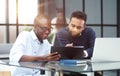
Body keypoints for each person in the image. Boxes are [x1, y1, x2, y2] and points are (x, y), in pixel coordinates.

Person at [54, 11, 96, 76]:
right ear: (69, 23)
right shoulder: (61, 33)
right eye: (72, 26)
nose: (75, 29)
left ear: (84, 27)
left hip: (87, 68)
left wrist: (84, 53)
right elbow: (64, 55)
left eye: (79, 27)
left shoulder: (89, 32)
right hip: (68, 69)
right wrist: (66, 49)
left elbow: (95, 49)